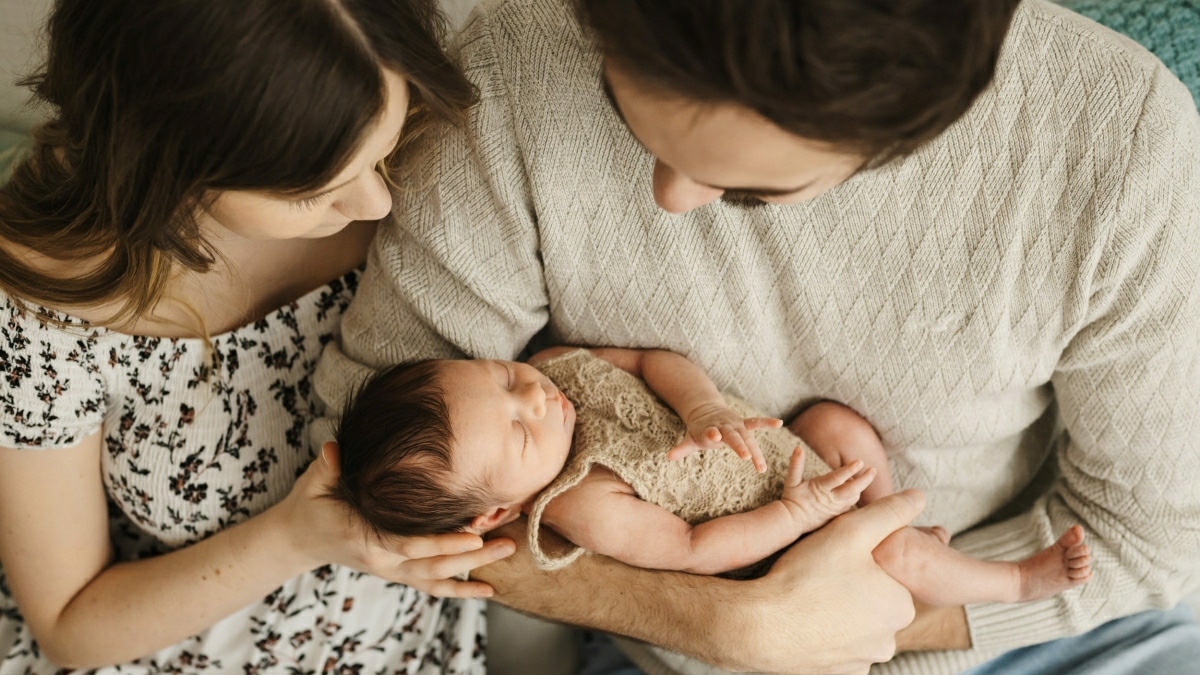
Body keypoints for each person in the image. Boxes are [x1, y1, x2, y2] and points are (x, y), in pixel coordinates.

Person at [312, 0, 1200, 673]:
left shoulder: (1121, 149)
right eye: (633, 122)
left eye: (750, 190)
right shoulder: (518, 65)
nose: (668, 199)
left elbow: (1148, 541)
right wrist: (723, 624)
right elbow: (383, 458)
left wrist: (873, 622)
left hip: (1012, 623)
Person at [0, 0, 516, 672]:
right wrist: (297, 538)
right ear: (170, 162)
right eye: (317, 191)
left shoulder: (427, 154)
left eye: (381, 154)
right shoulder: (45, 311)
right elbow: (70, 626)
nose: (377, 206)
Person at [328, 346, 1093, 605]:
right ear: (496, 513)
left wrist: (697, 406)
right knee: (888, 553)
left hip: (779, 453)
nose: (532, 395)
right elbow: (695, 549)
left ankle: (904, 524)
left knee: (840, 425)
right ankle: (1017, 582)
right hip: (779, 535)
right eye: (522, 428)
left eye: (499, 375)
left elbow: (645, 363)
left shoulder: (557, 368)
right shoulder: (582, 504)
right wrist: (797, 516)